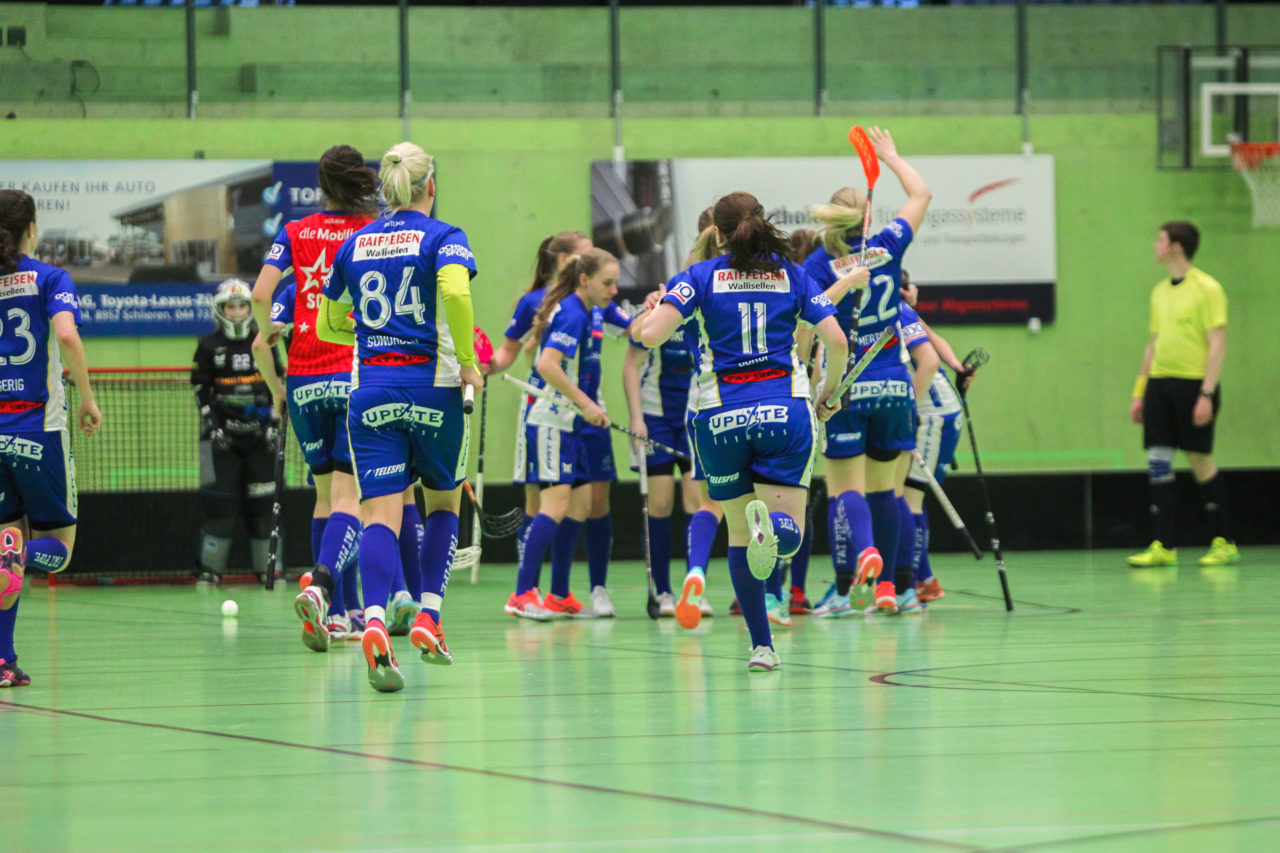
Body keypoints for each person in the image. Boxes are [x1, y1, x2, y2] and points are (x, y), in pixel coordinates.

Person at [637, 191, 851, 672]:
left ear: (716, 232)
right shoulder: (791, 275)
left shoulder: (699, 275)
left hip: (718, 415)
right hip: (782, 410)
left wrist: (651, 312)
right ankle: (771, 529)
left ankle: (761, 647)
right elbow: (835, 340)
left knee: (738, 536)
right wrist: (829, 390)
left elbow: (650, 334)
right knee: (788, 535)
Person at [317, 141, 481, 692]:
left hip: (371, 392)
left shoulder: (355, 243)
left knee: (379, 516)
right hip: (433, 388)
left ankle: (377, 619)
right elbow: (456, 293)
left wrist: (363, 331)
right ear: (430, 187)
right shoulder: (445, 237)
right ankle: (430, 616)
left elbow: (325, 324)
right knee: (441, 505)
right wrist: (469, 362)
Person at [250, 144, 388, 648]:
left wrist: (274, 357)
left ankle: (337, 615)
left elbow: (260, 296)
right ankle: (324, 588)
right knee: (355, 499)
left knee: (326, 497)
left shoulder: (294, 231)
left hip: (304, 378)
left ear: (322, 184)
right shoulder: (372, 232)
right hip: (354, 374)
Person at [803, 126, 932, 618]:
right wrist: (892, 156)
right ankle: (895, 590)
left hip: (848, 388)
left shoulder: (817, 263)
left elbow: (811, 328)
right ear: (869, 215)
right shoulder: (887, 244)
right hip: (894, 384)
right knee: (887, 490)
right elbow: (921, 194)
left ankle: (864, 558)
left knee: (846, 490)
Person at [0, 190, 103, 689]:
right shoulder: (48, 277)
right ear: (31, 230)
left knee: (7, 538)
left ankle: (3, 659)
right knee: (54, 550)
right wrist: (87, 397)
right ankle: (13, 558)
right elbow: (66, 336)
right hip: (38, 430)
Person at [506, 248, 621, 620]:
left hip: (571, 423)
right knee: (552, 506)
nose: (614, 290)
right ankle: (523, 593)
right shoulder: (572, 314)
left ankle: (558, 593)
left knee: (581, 501)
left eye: (616, 282)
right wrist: (586, 403)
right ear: (584, 280)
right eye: (608, 283)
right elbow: (546, 364)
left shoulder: (585, 310)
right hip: (552, 421)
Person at [1128, 221, 1237, 568]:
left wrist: (1206, 393)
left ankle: (1224, 541)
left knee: (1199, 458)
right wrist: (1140, 391)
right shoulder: (1159, 291)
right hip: (1160, 384)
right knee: (1158, 459)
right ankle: (1164, 545)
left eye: (1159, 240)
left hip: (1193, 385)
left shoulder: (1208, 288)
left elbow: (1218, 343)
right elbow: (1153, 343)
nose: (1154, 246)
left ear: (1176, 247)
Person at [484, 230, 590, 569]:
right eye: (585, 255)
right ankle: (526, 584)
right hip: (545, 409)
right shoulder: (535, 302)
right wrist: (483, 366)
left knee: (579, 502)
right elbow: (507, 353)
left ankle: (559, 590)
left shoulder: (595, 299)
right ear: (564, 261)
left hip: (584, 413)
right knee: (538, 501)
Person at [191, 279, 282, 585]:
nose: (238, 311)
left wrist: (272, 425)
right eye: (231, 306)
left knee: (264, 506)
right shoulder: (207, 347)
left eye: (243, 305)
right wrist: (214, 427)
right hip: (220, 442)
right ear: (221, 311)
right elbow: (201, 391)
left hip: (261, 440)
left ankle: (271, 569)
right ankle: (210, 570)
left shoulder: (264, 343)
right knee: (219, 504)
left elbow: (276, 388)